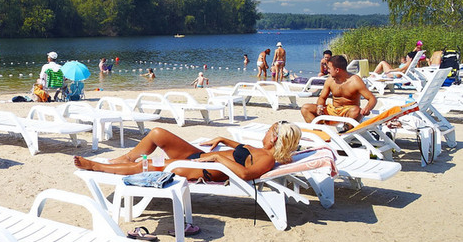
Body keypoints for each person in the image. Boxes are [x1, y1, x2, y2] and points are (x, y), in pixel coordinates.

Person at [74, 121, 301, 182]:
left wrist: (217, 156)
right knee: (157, 133)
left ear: (274, 137)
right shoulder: (262, 150)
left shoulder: (268, 159)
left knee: (149, 166)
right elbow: (243, 151)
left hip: (202, 169)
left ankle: (97, 166)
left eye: (269, 129)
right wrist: (223, 140)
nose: (265, 132)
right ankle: (124, 157)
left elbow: (245, 175)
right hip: (201, 158)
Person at [301, 54, 377, 126]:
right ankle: (319, 132)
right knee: (305, 108)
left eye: (329, 68)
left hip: (348, 111)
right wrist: (320, 106)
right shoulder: (330, 80)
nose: (328, 71)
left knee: (356, 111)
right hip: (333, 110)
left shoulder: (355, 81)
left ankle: (346, 132)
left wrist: (367, 108)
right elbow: (322, 98)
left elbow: (372, 98)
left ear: (337, 70)